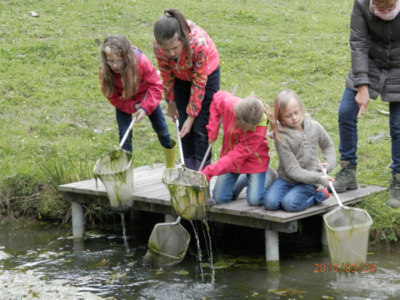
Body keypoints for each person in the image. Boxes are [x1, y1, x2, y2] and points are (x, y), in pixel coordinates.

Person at [333, 0, 400, 207]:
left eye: (390, 9)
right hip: (368, 63)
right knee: (346, 112)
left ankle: (398, 180)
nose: (384, 13)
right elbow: (358, 43)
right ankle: (348, 171)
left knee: (399, 125)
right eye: (379, 9)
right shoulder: (361, 4)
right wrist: (362, 85)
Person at [153, 8, 220, 170]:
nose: (172, 53)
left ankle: (203, 176)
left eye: (175, 47)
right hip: (180, 76)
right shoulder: (158, 46)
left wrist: (192, 117)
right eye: (167, 50)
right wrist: (170, 102)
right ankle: (190, 171)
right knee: (182, 126)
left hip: (205, 75)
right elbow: (166, 73)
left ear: (182, 38)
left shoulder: (198, 44)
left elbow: (199, 81)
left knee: (200, 128)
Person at [99, 35, 175, 168]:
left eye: (119, 61)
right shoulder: (105, 71)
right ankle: (125, 172)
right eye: (110, 61)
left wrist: (145, 107)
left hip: (147, 97)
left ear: (127, 57)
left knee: (162, 130)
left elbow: (156, 86)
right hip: (124, 101)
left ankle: (171, 166)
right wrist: (132, 106)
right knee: (124, 134)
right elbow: (111, 95)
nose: (115, 65)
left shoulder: (141, 62)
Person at [200, 90, 276, 206]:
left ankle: (267, 175)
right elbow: (216, 98)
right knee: (220, 198)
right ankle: (245, 178)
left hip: (254, 161)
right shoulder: (231, 105)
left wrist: (207, 173)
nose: (244, 131)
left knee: (254, 200)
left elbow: (233, 159)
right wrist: (213, 130)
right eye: (242, 127)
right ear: (236, 115)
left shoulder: (258, 130)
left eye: (248, 128)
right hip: (231, 158)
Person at [264, 90, 336, 212]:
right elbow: (293, 170)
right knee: (270, 204)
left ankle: (317, 196)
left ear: (301, 108)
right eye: (288, 116)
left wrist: (328, 165)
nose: (294, 118)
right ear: (280, 117)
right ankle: (294, 195)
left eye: (296, 112)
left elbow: (328, 146)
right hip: (287, 179)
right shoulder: (281, 136)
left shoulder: (315, 127)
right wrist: (320, 178)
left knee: (289, 204)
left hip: (309, 180)